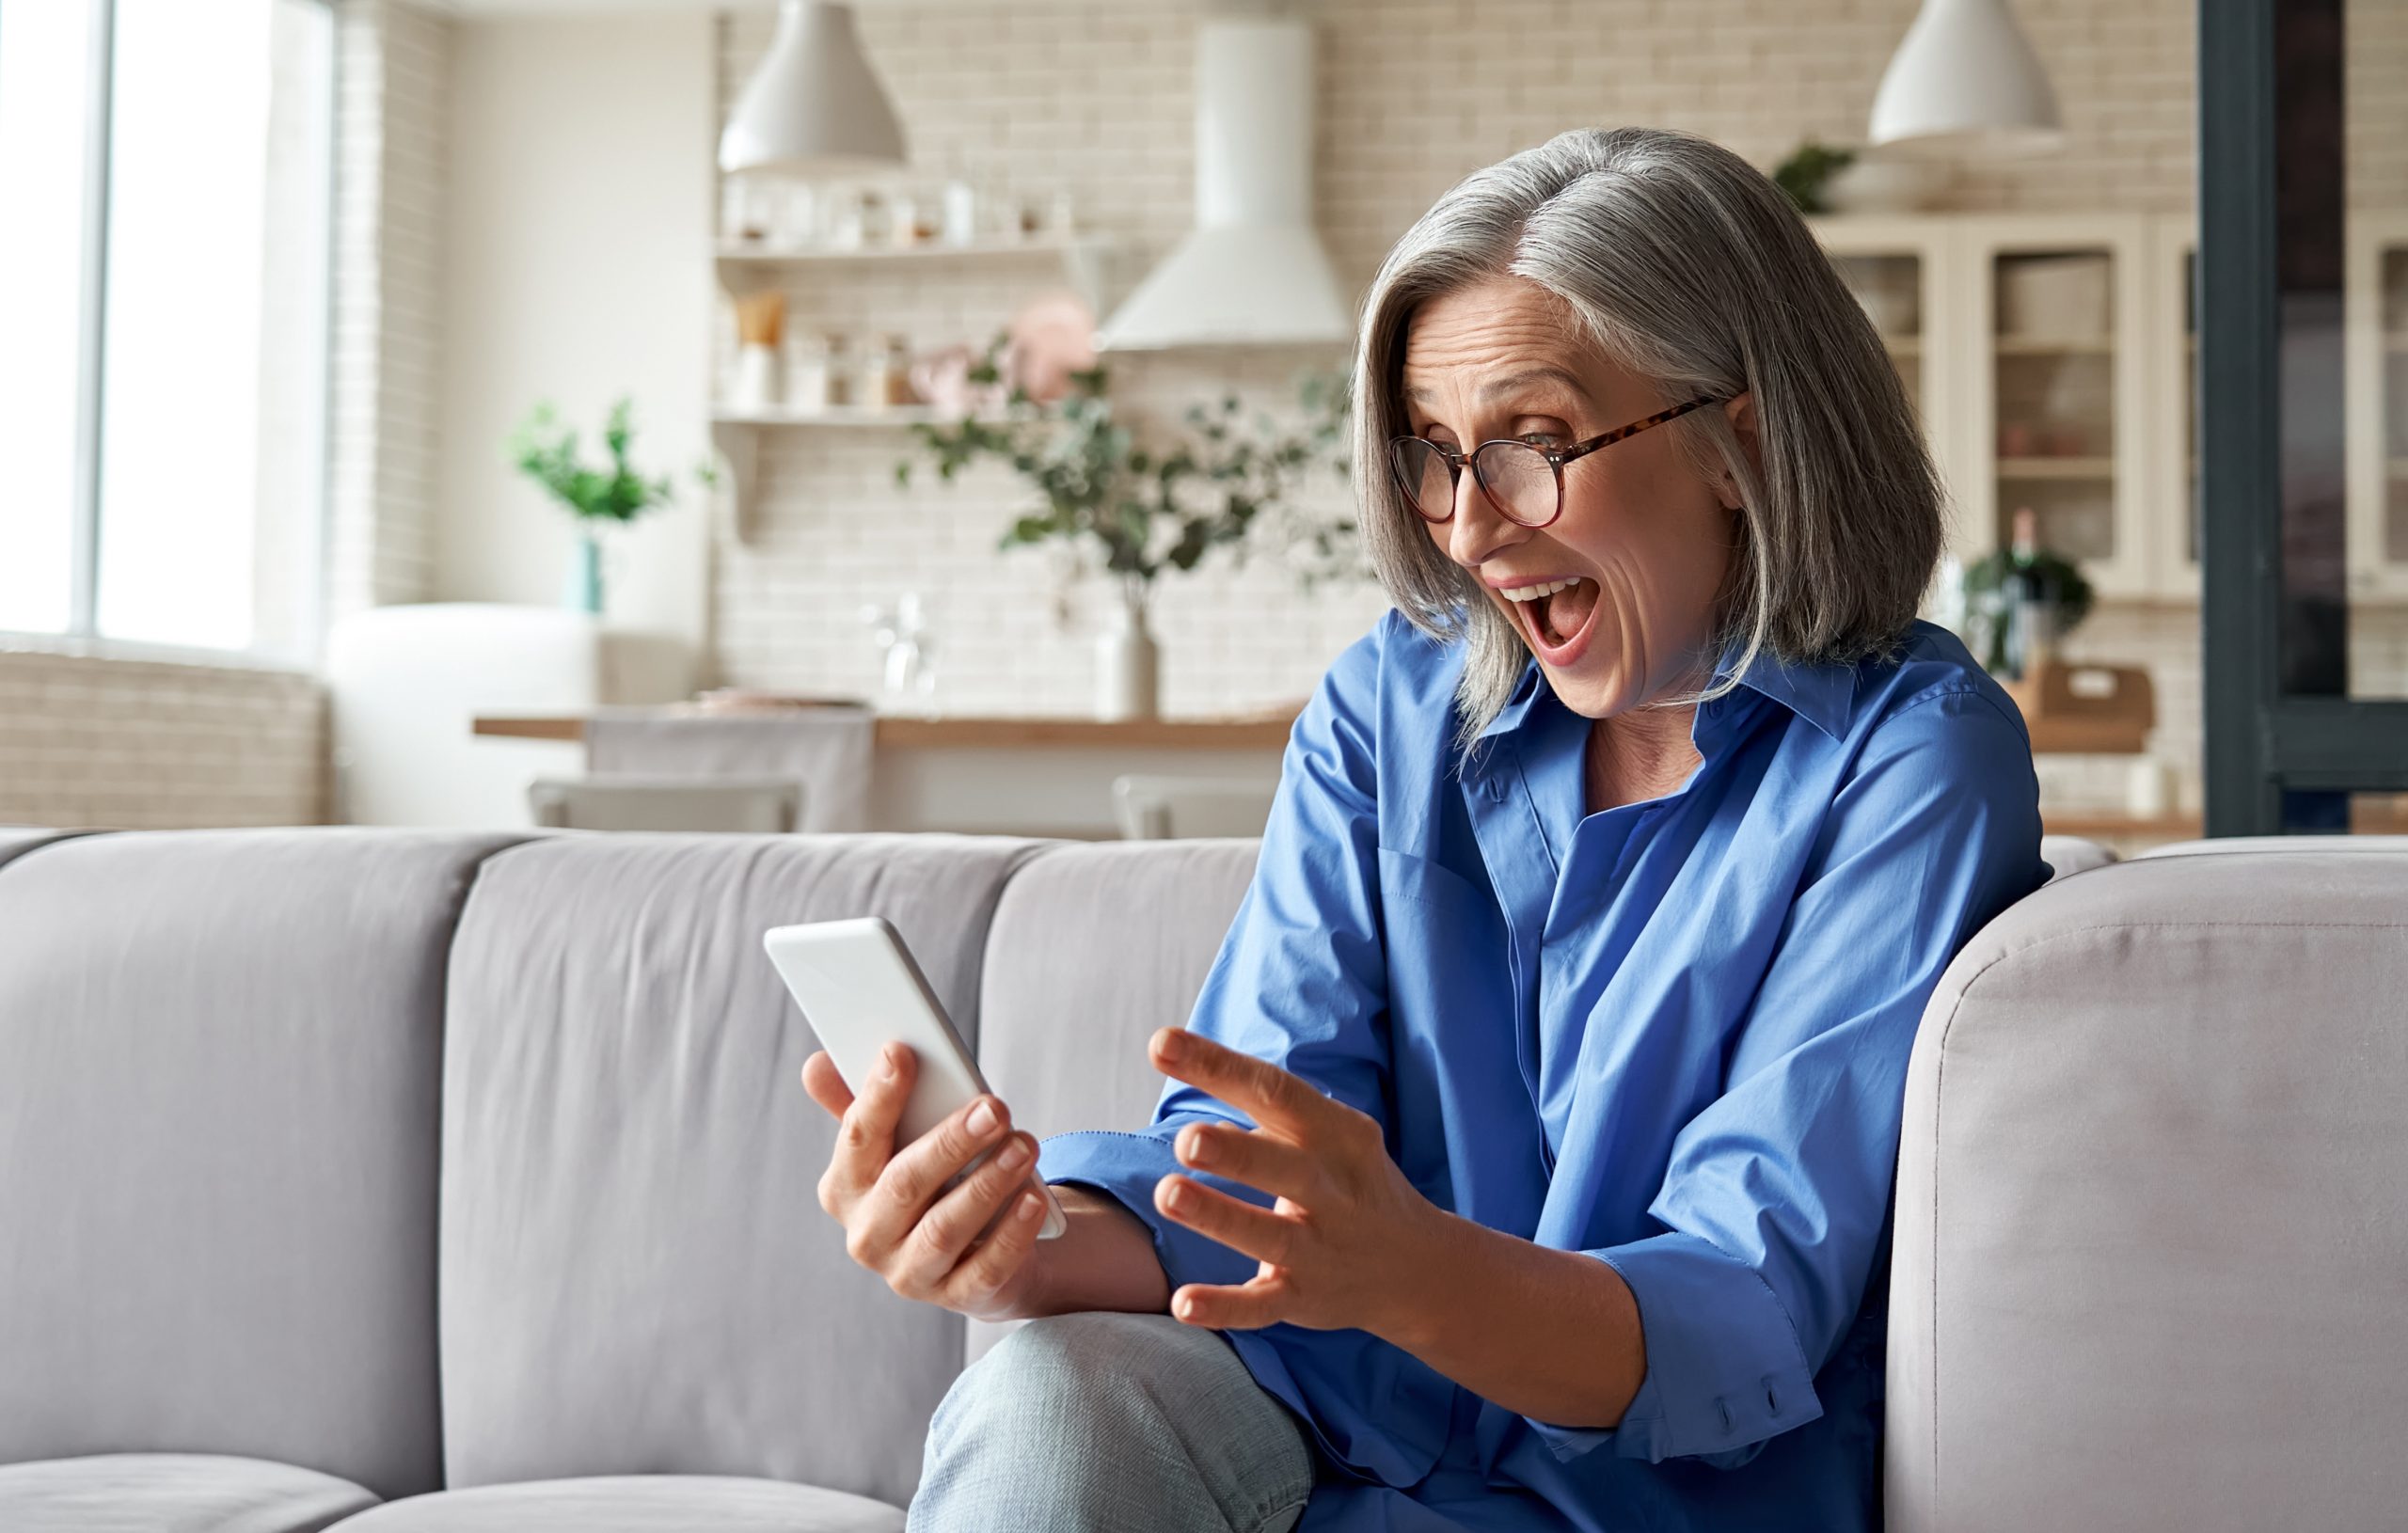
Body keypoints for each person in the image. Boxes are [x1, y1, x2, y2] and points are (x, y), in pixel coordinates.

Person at [800, 125, 2046, 1533]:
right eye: (1435, 457)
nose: (1467, 529)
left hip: (1643, 1503)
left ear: (1735, 438)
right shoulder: (1385, 709)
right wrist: (1016, 1247)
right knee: (1046, 1394)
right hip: (1330, 1446)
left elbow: (1746, 1294)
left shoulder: (1913, 758)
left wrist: (1406, 1268)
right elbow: (1252, 1153)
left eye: (1533, 445)